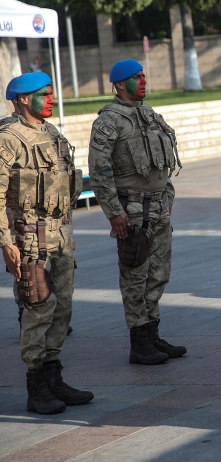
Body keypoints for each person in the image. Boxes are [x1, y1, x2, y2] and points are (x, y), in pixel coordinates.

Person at [0, 72, 93, 414]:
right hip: (30, 236)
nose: (51, 98)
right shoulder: (8, 138)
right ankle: (36, 385)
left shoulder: (52, 133)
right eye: (43, 94)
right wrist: (5, 241)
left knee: (62, 307)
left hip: (60, 234)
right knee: (38, 307)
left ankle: (54, 378)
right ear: (23, 99)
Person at [88, 59, 185, 366]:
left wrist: (167, 195)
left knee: (158, 273)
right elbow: (99, 171)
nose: (143, 81)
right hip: (131, 210)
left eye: (144, 75)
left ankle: (152, 332)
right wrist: (114, 213)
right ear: (119, 84)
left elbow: (164, 167)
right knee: (135, 274)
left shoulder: (150, 115)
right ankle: (138, 340)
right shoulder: (109, 121)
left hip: (157, 206)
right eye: (135, 77)